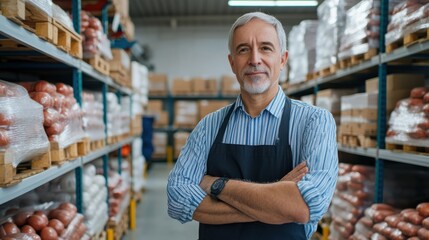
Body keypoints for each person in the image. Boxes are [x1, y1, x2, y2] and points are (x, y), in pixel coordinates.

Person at [167, 11, 338, 240]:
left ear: (283, 59)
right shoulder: (209, 127)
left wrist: (217, 185)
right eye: (243, 49)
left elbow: (304, 206)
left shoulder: (314, 122)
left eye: (266, 48)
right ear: (232, 62)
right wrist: (276, 198)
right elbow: (177, 200)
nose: (254, 59)